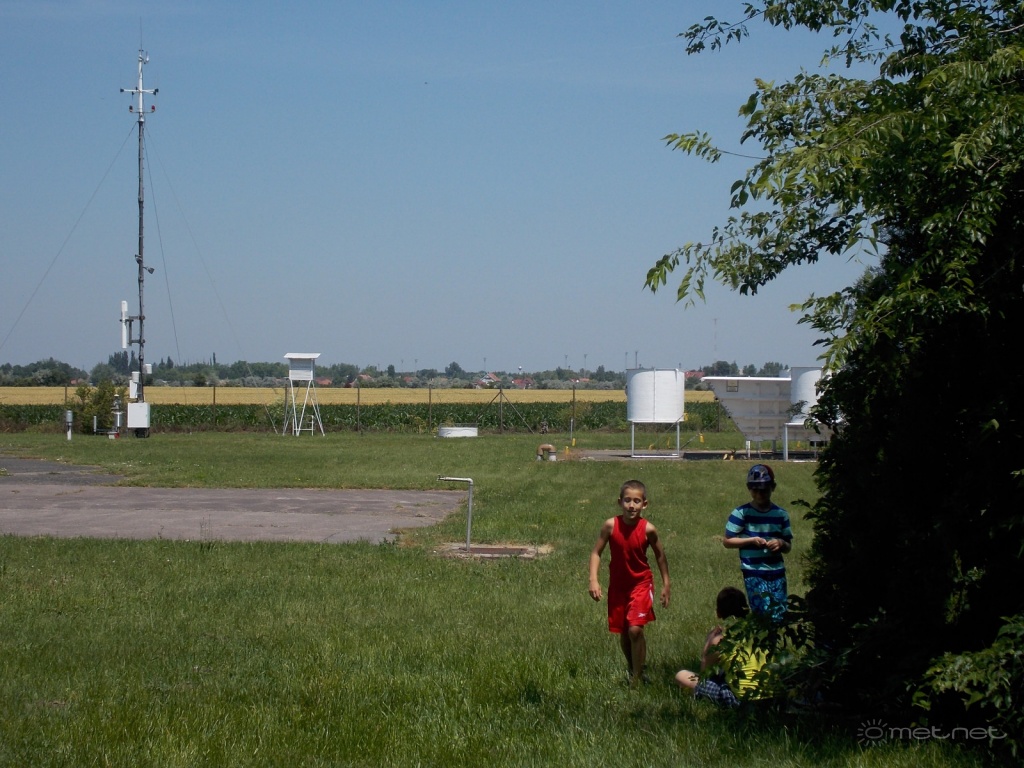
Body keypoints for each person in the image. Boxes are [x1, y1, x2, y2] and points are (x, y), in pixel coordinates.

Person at [588, 479, 670, 686]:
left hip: (641, 584)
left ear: (645, 504)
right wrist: (593, 580)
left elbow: (660, 555)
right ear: (620, 502)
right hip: (618, 587)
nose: (631, 505)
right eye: (627, 500)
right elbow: (596, 552)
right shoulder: (610, 526)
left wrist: (666, 583)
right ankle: (635, 667)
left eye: (636, 501)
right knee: (624, 633)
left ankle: (636, 679)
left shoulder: (648, 529)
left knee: (635, 630)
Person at [675, 586, 767, 707]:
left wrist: (709, 642)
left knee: (681, 675)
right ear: (746, 610)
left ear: (718, 613)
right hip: (771, 698)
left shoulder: (720, 640)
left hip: (743, 701)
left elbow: (704, 675)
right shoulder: (759, 633)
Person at [723, 464, 793, 621]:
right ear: (749, 488)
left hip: (777, 571)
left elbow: (788, 546)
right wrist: (751, 540)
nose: (760, 494)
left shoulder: (780, 514)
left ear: (773, 487)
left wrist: (781, 543)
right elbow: (727, 541)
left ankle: (775, 635)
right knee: (761, 613)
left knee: (779, 614)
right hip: (753, 571)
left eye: (764, 490)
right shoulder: (741, 513)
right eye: (755, 490)